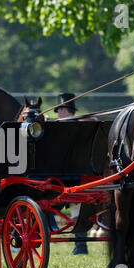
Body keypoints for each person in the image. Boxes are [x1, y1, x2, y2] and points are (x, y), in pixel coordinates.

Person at [55, 93, 88, 255]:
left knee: (76, 209)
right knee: (76, 209)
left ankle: (80, 246)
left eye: (60, 109)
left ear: (65, 110)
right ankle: (80, 246)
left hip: (62, 177)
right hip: (81, 177)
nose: (58, 113)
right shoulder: (84, 127)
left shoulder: (57, 127)